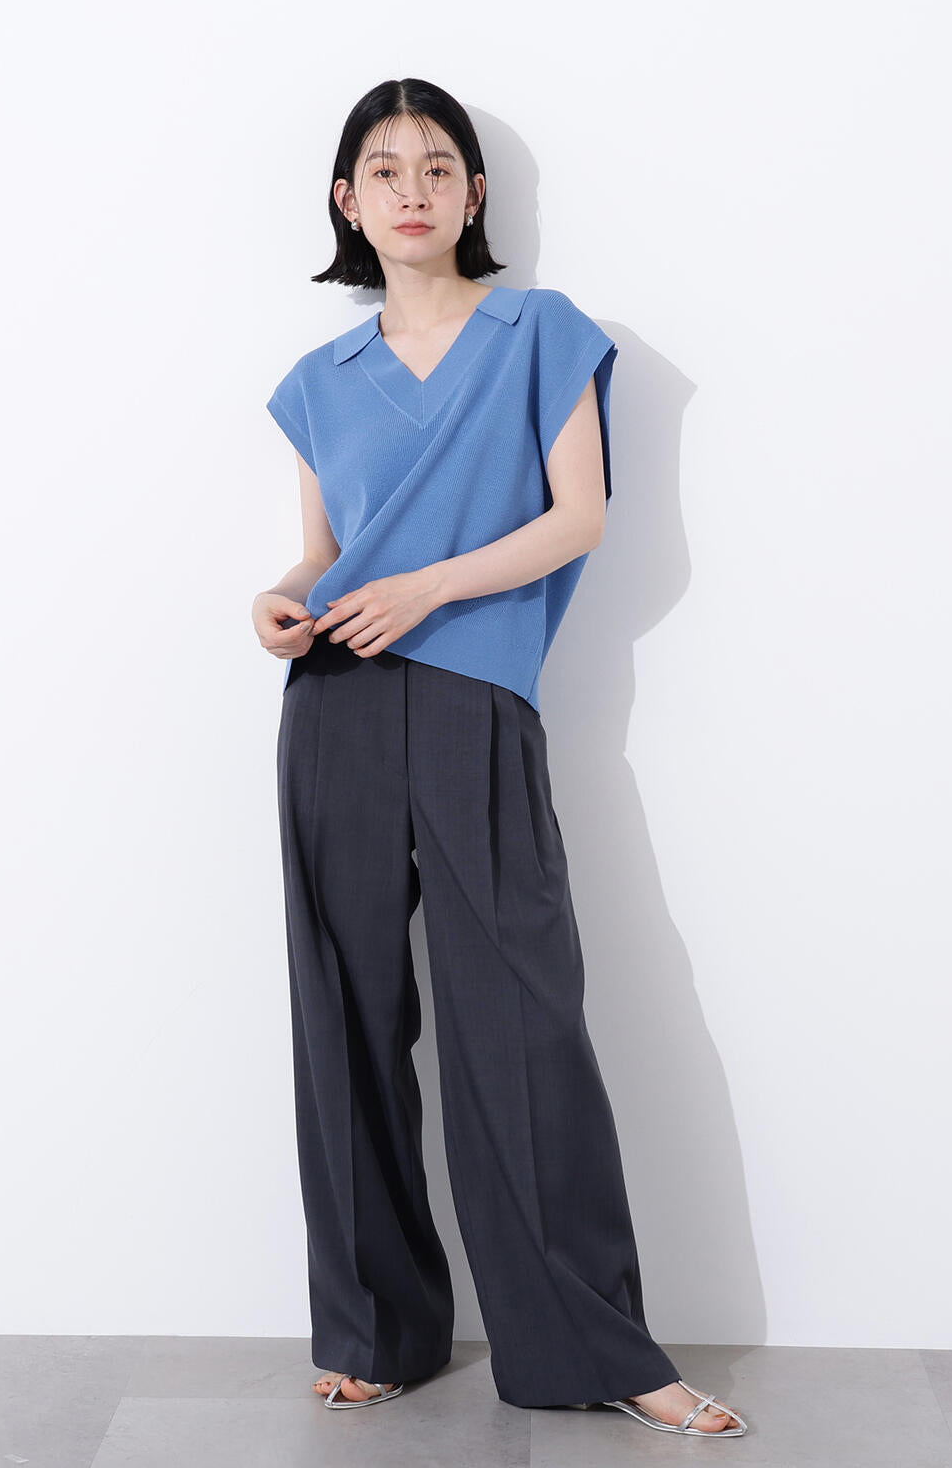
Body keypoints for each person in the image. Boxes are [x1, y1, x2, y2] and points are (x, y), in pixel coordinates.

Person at [252, 78, 748, 1441]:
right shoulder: (319, 382)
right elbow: (320, 549)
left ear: (475, 192)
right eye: (383, 168)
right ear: (347, 200)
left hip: (476, 698)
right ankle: (375, 1332)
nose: (411, 188)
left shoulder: (542, 333)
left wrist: (427, 588)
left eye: (438, 165)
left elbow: (578, 518)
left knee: (520, 1021)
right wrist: (277, 600)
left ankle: (593, 1344)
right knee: (344, 1016)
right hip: (337, 701)